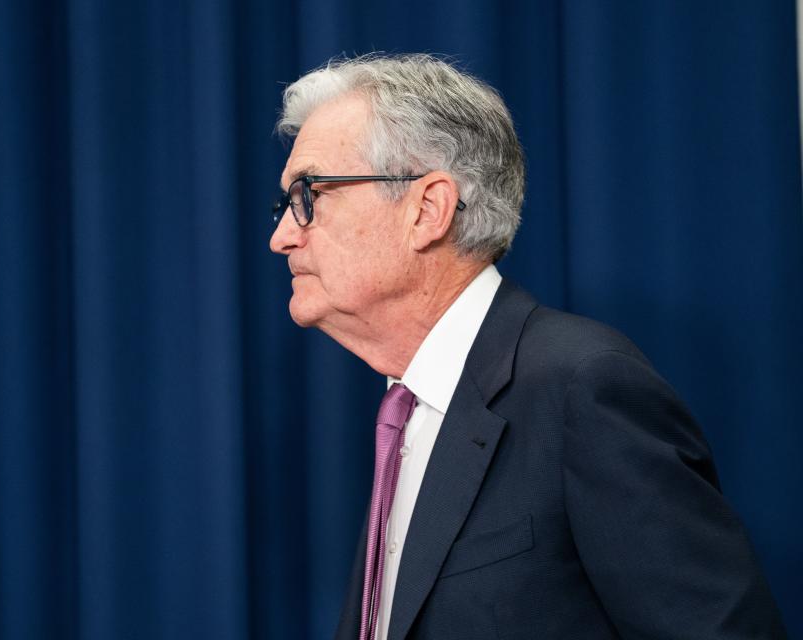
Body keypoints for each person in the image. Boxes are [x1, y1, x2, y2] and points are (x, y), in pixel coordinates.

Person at [268, 54, 786, 640]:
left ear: (428, 209)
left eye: (308, 195)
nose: (282, 236)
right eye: (285, 205)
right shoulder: (405, 410)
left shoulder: (583, 386)